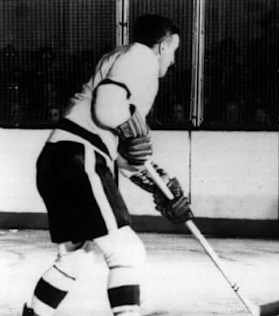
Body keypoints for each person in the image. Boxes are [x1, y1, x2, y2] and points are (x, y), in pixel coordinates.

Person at [23, 14, 193, 316]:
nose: (173, 60)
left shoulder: (120, 59)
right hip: (80, 158)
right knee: (128, 253)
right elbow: (107, 108)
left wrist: (160, 184)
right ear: (163, 45)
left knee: (78, 257)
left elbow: (124, 153)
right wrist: (129, 128)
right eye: (174, 51)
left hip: (61, 157)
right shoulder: (142, 59)